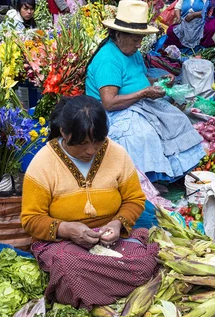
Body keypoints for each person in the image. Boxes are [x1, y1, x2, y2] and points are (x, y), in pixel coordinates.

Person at [21, 95, 159, 309]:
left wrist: (117, 223)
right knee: (69, 270)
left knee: (145, 262)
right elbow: (31, 219)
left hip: (111, 239)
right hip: (63, 243)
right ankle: (110, 292)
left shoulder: (117, 154)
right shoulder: (43, 163)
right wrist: (66, 229)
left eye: (98, 141)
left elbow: (134, 199)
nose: (91, 150)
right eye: (83, 144)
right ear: (65, 134)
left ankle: (96, 296)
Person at [86, 0, 205, 183]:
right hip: (113, 113)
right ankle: (145, 180)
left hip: (138, 104)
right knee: (143, 133)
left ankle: (171, 171)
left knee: (177, 119)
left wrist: (159, 81)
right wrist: (144, 93)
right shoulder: (108, 59)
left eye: (140, 38)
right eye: (135, 39)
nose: (139, 44)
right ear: (119, 35)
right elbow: (109, 102)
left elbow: (139, 80)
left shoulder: (132, 53)